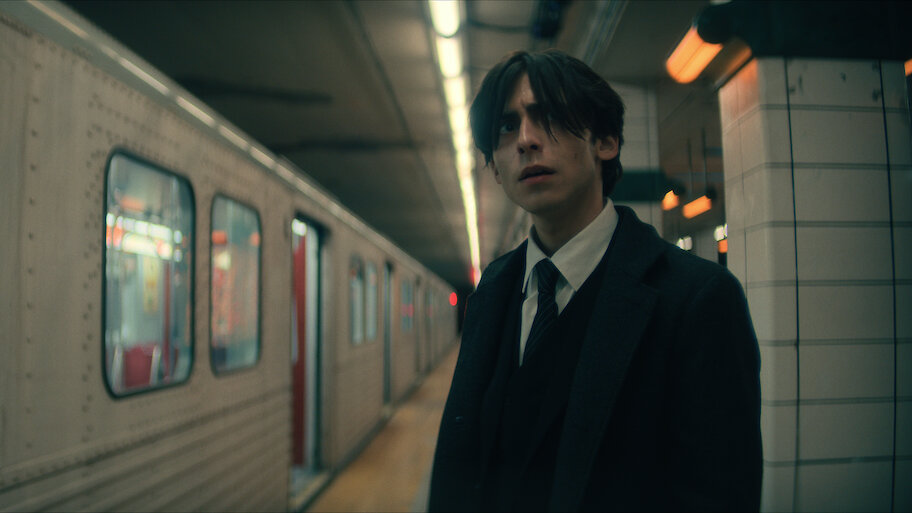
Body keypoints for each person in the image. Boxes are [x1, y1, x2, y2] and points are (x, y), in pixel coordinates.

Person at [428, 49, 761, 512]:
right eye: (506, 126)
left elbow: (717, 495)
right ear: (496, 168)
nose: (525, 140)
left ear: (605, 140)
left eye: (548, 116)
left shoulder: (696, 299)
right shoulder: (493, 290)